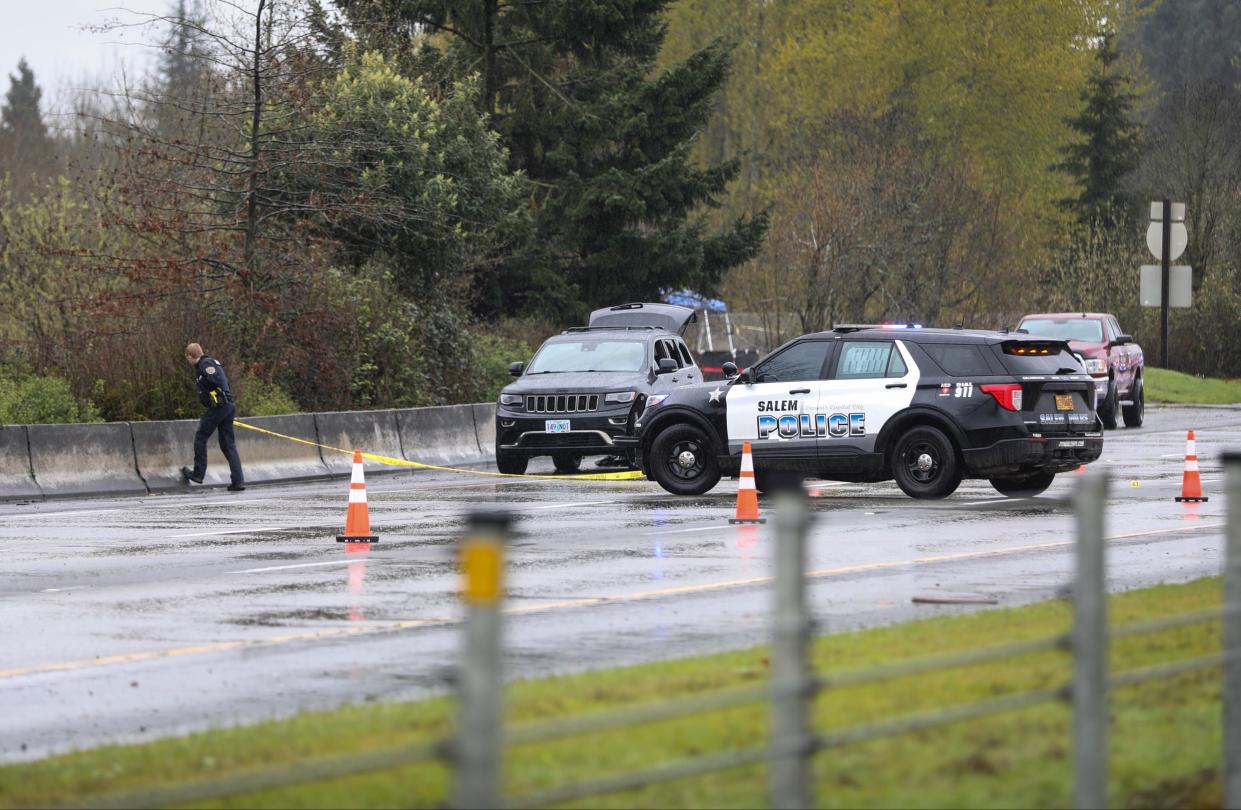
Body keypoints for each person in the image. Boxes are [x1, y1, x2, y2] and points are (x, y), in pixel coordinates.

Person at [180, 343, 245, 491]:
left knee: (201, 436)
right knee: (227, 444)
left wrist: (215, 397)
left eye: (188, 358)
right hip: (227, 406)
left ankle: (198, 474)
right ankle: (238, 481)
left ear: (190, 356)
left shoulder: (205, 364)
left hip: (220, 407)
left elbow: (217, 382)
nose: (188, 362)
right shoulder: (208, 363)